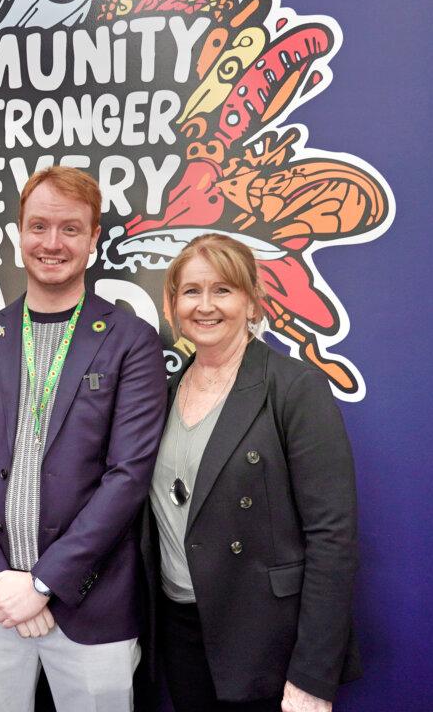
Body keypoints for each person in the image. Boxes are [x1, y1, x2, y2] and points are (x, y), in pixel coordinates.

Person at [0, 166, 167, 711]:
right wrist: (1, 581)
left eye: (70, 229)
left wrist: (42, 583)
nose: (52, 243)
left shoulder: (131, 339)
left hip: (93, 603)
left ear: (93, 239)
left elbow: (128, 475)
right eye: (39, 226)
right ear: (19, 232)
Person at [142, 233, 360, 712]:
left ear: (252, 301)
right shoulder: (163, 393)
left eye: (223, 290)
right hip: (181, 635)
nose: (205, 305)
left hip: (267, 640)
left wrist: (313, 676)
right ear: (173, 304)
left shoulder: (294, 387)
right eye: (191, 291)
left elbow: (332, 536)